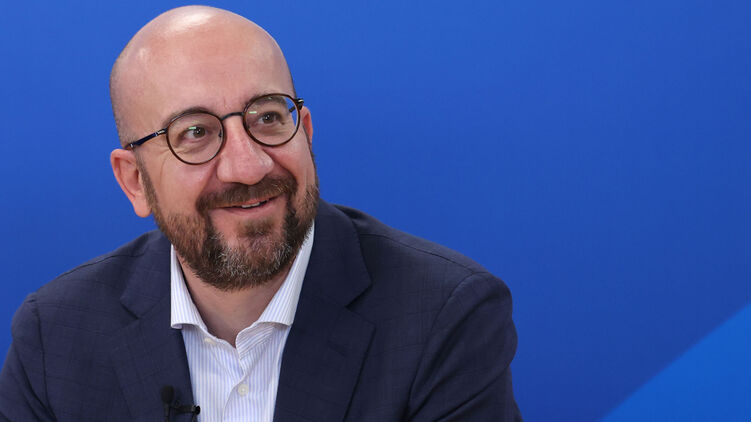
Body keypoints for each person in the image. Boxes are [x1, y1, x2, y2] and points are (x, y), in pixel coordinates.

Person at [0, 6, 521, 421]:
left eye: (268, 117)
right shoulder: (55, 336)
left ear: (306, 134)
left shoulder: (443, 317)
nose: (248, 167)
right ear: (135, 181)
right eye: (195, 133)